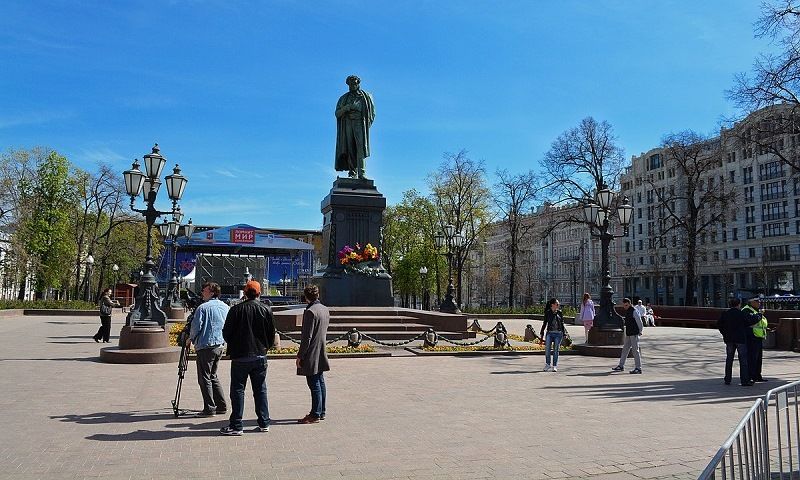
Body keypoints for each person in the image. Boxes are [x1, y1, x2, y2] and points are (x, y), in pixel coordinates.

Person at [220, 280, 275, 435]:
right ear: (259, 293)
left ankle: (237, 425)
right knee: (260, 390)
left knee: (238, 390)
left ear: (244, 293)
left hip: (240, 356)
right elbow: (271, 335)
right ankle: (264, 422)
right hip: (259, 355)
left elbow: (226, 333)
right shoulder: (266, 309)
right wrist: (265, 347)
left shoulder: (236, 310)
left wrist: (235, 344)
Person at [188, 282, 229, 416]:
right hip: (219, 345)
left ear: (212, 292)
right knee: (213, 376)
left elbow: (196, 327)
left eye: (204, 290)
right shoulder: (225, 307)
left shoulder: (203, 308)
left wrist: (190, 339)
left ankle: (209, 407)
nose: (202, 293)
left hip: (206, 345)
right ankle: (221, 406)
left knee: (204, 377)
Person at [296, 284, 330, 424]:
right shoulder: (324, 309)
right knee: (320, 381)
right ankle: (321, 411)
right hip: (321, 349)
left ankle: (315, 414)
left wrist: (300, 356)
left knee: (314, 383)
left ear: (306, 297)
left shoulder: (310, 312)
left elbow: (307, 337)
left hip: (311, 352)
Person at [335, 75, 375, 179]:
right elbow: (337, 113)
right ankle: (352, 173)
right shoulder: (344, 98)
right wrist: (346, 108)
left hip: (360, 123)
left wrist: (366, 125)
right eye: (350, 84)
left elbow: (372, 114)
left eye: (354, 83)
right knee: (350, 147)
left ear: (358, 83)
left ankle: (362, 173)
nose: (352, 86)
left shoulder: (366, 96)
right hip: (348, 123)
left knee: (361, 147)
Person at [717, 297, 757, 386]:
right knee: (743, 360)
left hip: (729, 339)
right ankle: (744, 380)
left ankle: (727, 379)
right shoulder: (741, 314)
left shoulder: (725, 314)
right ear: (739, 304)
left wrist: (724, 334)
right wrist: (758, 316)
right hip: (740, 339)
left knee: (729, 359)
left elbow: (719, 324)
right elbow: (749, 321)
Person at [612, 298, 643, 374]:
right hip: (629, 333)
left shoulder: (634, 311)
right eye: (624, 305)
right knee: (625, 349)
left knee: (635, 351)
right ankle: (621, 365)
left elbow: (640, 322)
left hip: (634, 333)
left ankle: (638, 368)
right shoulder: (629, 311)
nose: (624, 307)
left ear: (629, 303)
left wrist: (640, 331)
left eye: (626, 305)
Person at [742, 297, 768, 382]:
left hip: (758, 337)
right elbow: (752, 321)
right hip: (751, 337)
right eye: (757, 301)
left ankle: (757, 375)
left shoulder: (756, 310)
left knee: (758, 358)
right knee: (752, 358)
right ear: (751, 302)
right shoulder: (746, 310)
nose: (759, 303)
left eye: (759, 301)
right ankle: (751, 376)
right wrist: (760, 315)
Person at [539, 298, 566, 372]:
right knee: (547, 349)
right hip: (550, 333)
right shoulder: (548, 313)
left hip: (558, 333)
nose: (558, 305)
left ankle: (554, 365)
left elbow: (562, 324)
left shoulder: (559, 312)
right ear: (552, 305)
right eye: (557, 304)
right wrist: (542, 332)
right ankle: (548, 364)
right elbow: (544, 323)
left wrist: (564, 334)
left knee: (556, 350)